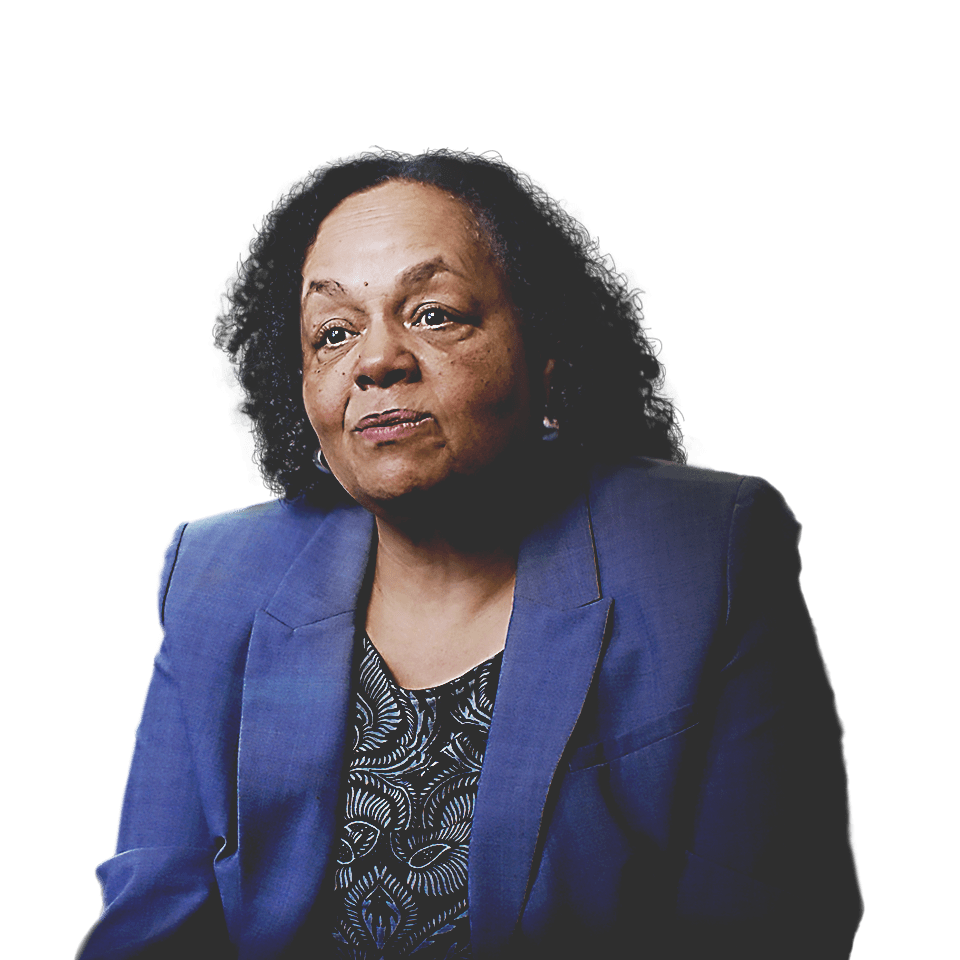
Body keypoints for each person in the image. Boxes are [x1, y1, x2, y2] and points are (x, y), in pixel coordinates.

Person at [76, 147, 864, 960]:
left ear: (546, 346)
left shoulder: (706, 552)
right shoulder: (215, 575)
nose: (376, 361)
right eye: (334, 332)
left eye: (434, 314)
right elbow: (149, 924)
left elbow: (768, 927)